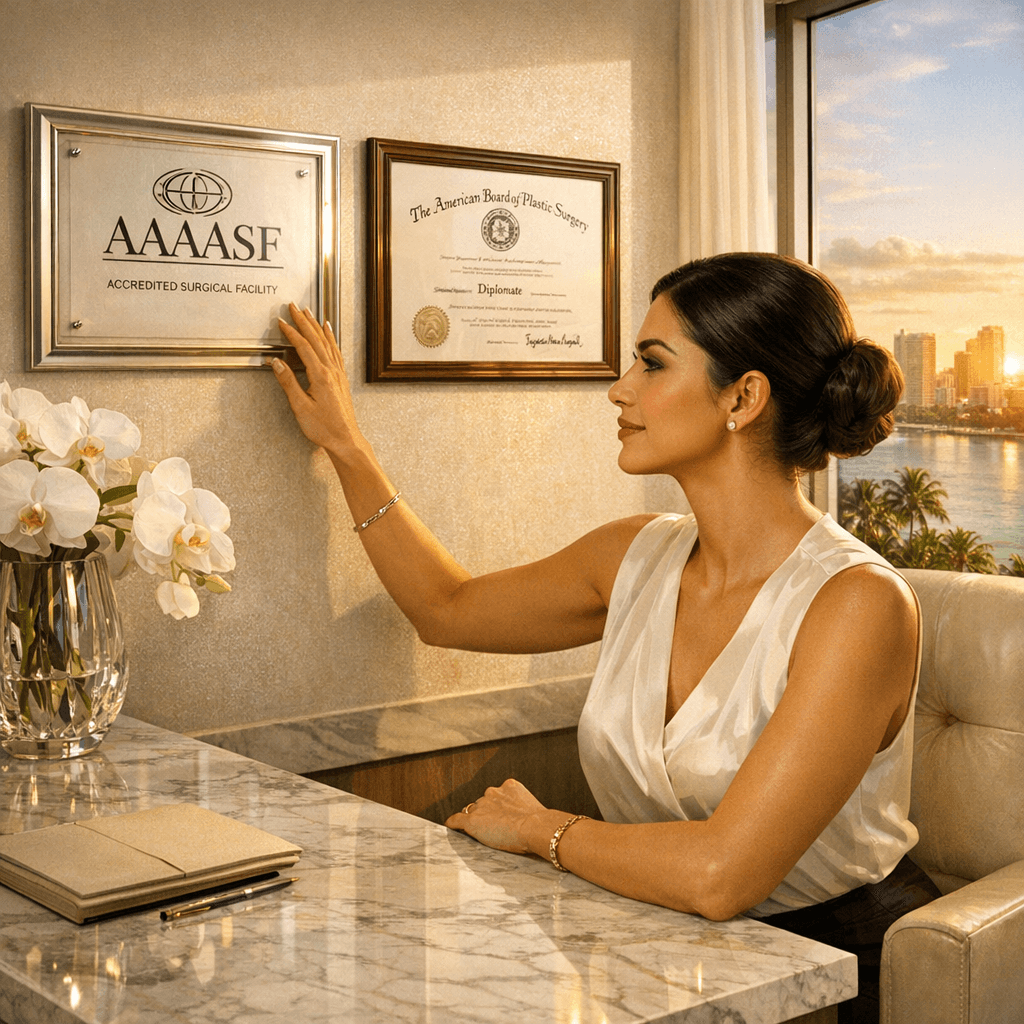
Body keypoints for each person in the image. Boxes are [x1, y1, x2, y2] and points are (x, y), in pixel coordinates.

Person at [271, 252, 939, 1024]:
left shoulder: (858, 604)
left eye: (652, 363)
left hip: (830, 978)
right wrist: (348, 447)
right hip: (659, 949)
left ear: (744, 397)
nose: (619, 388)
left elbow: (722, 874)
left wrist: (537, 829)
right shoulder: (634, 554)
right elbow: (445, 609)